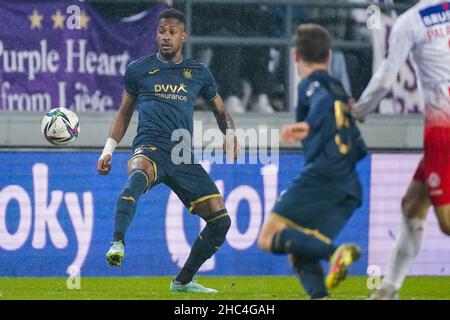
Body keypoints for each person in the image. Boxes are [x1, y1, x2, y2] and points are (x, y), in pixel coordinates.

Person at [97, 8, 238, 293]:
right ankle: (118, 242)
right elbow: (123, 113)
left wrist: (231, 136)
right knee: (137, 175)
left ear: (183, 36)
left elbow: (221, 111)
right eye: (161, 31)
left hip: (183, 156)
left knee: (221, 222)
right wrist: (108, 150)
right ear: (156, 34)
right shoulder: (139, 69)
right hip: (150, 146)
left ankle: (182, 283)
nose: (166, 37)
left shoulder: (198, 72)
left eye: (172, 32)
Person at [258, 24, 368, 299]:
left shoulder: (313, 85)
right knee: (300, 249)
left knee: (268, 237)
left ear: (295, 56)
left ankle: (335, 253)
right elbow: (358, 147)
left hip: (322, 175)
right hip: (349, 186)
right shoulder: (339, 87)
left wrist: (308, 126)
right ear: (329, 56)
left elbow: (320, 102)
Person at [352, 0, 450, 300]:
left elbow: (386, 77)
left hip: (443, 129)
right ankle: (389, 290)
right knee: (412, 205)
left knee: (447, 224)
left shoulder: (410, 22)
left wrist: (360, 110)